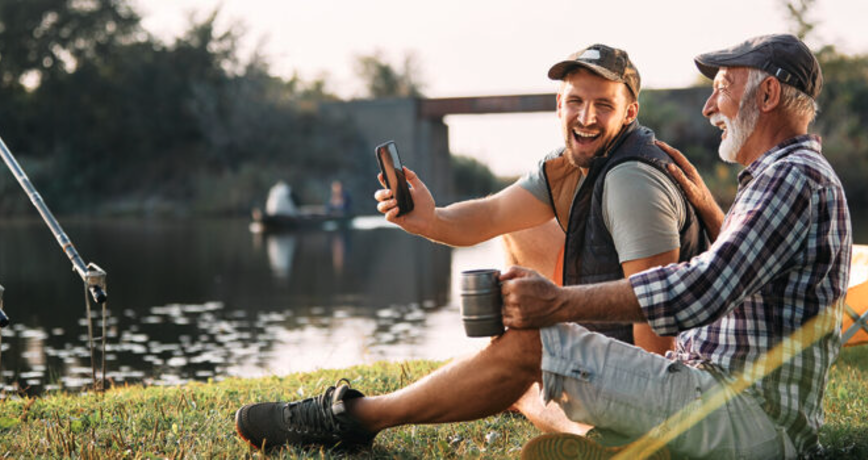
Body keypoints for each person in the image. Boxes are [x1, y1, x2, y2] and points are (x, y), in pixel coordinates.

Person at [233, 34, 850, 459]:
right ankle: (595, 425)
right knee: (531, 360)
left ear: (767, 97)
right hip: (723, 395)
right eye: (573, 101)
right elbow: (745, 276)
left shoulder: (786, 177)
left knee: (533, 344)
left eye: (724, 86)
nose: (712, 102)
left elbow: (696, 292)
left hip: (751, 423)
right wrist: (426, 217)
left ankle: (349, 420)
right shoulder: (782, 175)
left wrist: (558, 305)